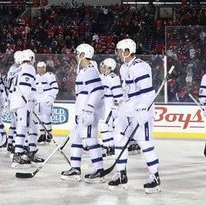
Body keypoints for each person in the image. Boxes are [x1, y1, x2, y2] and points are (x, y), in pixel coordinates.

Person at [109, 38, 161, 193]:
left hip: (140, 111)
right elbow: (126, 91)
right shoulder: (123, 68)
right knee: (119, 139)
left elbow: (148, 92)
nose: (118, 53)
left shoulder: (140, 67)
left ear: (127, 51)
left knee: (145, 143)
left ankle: (155, 176)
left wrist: (143, 109)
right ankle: (121, 173)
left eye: (120, 51)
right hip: (127, 110)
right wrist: (118, 104)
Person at [60, 44, 106, 183]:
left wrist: (89, 110)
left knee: (91, 139)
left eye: (78, 53)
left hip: (87, 113)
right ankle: (75, 168)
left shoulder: (91, 70)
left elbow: (97, 91)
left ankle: (99, 170)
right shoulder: (84, 71)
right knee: (76, 138)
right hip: (80, 112)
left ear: (84, 54)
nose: (76, 55)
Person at [10, 49, 39, 167]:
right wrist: (29, 101)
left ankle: (20, 152)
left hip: (16, 101)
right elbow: (25, 87)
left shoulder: (18, 68)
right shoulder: (29, 68)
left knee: (22, 127)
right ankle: (18, 154)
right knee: (22, 127)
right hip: (23, 102)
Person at [99, 58, 121, 155]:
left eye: (104, 66)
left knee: (105, 125)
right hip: (103, 105)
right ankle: (109, 145)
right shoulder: (102, 76)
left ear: (109, 67)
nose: (102, 68)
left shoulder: (113, 78)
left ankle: (108, 146)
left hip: (110, 105)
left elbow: (118, 95)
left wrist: (115, 107)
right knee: (106, 126)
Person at [35, 61, 59, 143]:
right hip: (38, 100)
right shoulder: (35, 77)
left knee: (46, 117)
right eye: (39, 68)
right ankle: (42, 134)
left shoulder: (49, 76)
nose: (40, 69)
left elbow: (55, 88)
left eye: (42, 67)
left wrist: (51, 97)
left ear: (45, 68)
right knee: (40, 118)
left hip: (46, 99)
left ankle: (49, 134)